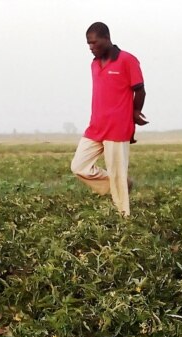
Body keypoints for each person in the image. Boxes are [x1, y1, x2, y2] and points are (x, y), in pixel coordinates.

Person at [70, 22, 148, 217]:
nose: (90, 48)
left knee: (117, 174)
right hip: (96, 126)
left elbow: (140, 90)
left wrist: (136, 111)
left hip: (118, 126)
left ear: (106, 38)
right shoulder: (94, 64)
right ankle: (117, 184)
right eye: (88, 44)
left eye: (94, 43)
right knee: (79, 166)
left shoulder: (127, 60)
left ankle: (124, 219)